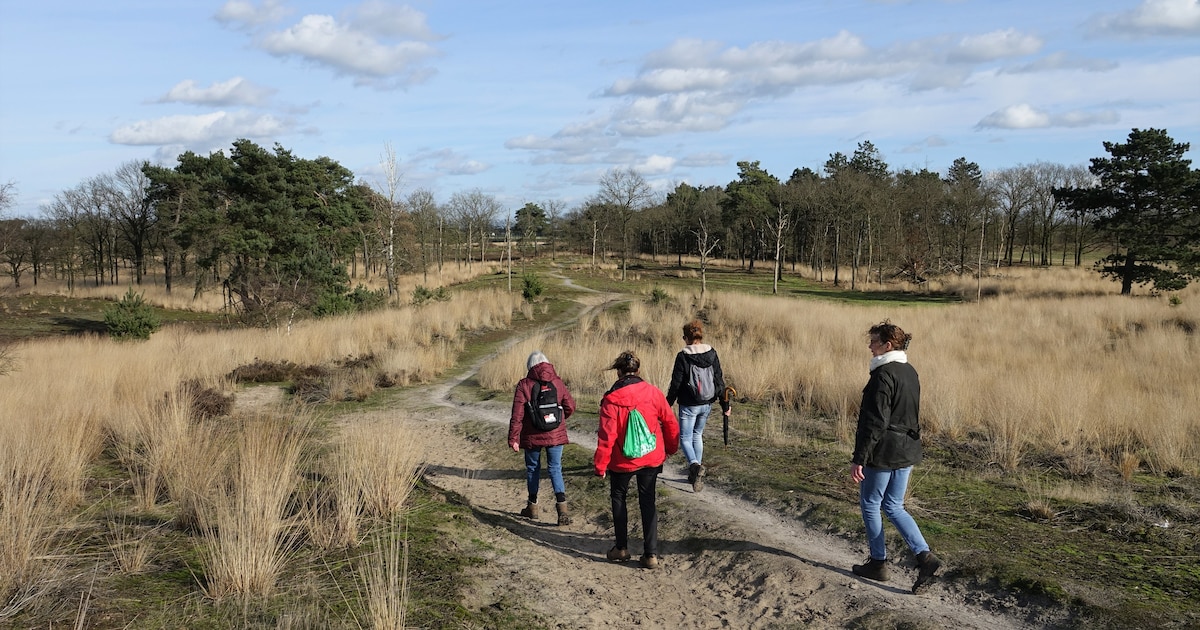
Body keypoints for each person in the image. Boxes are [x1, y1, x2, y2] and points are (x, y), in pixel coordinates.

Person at [849, 321, 942, 594]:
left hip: (885, 451)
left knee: (870, 502)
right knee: (894, 505)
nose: (870, 346)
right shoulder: (910, 371)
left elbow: (874, 422)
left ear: (888, 345)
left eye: (874, 341)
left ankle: (878, 562)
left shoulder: (882, 375)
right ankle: (925, 557)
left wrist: (860, 458)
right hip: (908, 449)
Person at [594, 351, 680, 569]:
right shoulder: (654, 393)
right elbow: (670, 422)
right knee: (647, 501)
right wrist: (670, 448)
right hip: (650, 458)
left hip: (621, 460)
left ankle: (621, 548)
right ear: (638, 371)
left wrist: (600, 465)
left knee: (619, 497)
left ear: (619, 372)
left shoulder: (611, 400)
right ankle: (650, 554)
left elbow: (607, 436)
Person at [509, 351, 577, 526]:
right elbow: (570, 406)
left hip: (532, 435)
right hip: (556, 433)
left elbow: (517, 415)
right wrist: (559, 422)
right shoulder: (558, 382)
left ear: (529, 366)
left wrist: (514, 438)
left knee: (533, 468)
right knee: (555, 468)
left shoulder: (524, 385)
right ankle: (562, 509)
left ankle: (532, 507)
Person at [665, 319, 730, 493]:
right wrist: (725, 405)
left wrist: (667, 404)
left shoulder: (683, 355)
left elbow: (676, 383)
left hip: (688, 404)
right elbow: (719, 380)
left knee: (685, 438)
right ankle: (696, 474)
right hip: (707, 403)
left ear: (686, 337)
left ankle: (694, 466)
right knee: (697, 435)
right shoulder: (712, 353)